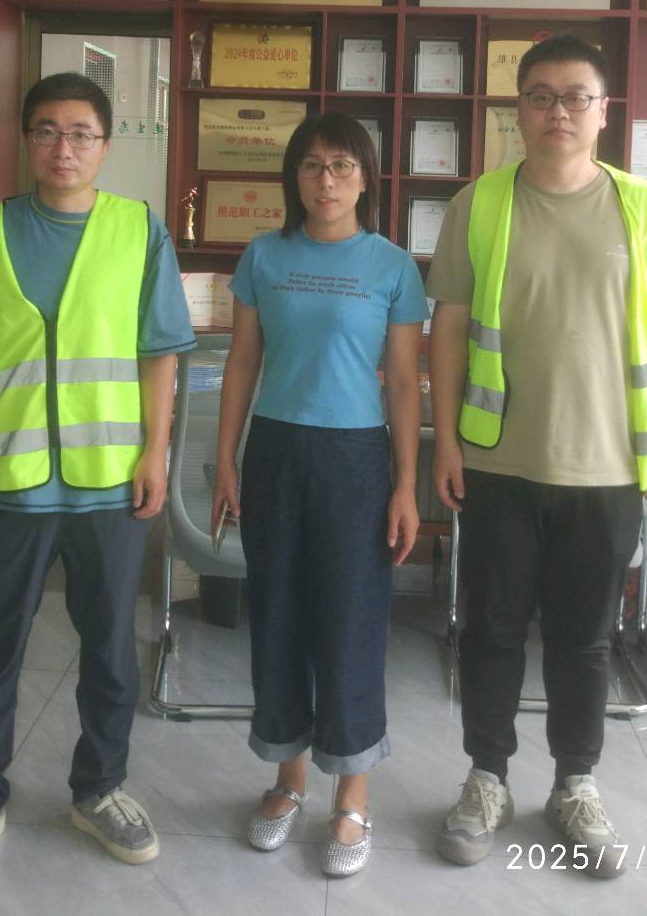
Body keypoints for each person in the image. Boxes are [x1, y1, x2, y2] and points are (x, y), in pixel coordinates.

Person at [0, 72, 195, 885]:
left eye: (80, 133)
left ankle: (99, 789)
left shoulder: (138, 230)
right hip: (6, 481)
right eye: (46, 130)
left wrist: (155, 453)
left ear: (105, 146)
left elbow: (159, 352)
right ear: (24, 139)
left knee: (110, 653)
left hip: (107, 483)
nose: (62, 148)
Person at [428, 34, 647, 878]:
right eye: (540, 95)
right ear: (518, 109)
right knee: (490, 631)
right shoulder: (479, 203)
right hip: (499, 461)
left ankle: (575, 783)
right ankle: (486, 778)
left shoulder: (645, 208)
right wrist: (445, 438)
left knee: (585, 640)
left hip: (608, 467)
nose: (558, 111)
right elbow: (447, 326)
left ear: (603, 110)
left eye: (576, 96)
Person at [211, 113, 426, 877]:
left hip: (356, 459)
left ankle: (353, 793)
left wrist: (406, 482)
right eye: (311, 165)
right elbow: (242, 362)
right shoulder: (264, 256)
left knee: (351, 619)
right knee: (277, 615)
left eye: (341, 166)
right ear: (293, 177)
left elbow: (403, 382)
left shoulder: (393, 267)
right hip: (275, 451)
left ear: (366, 179)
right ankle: (287, 779)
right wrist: (225, 457)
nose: (325, 180)